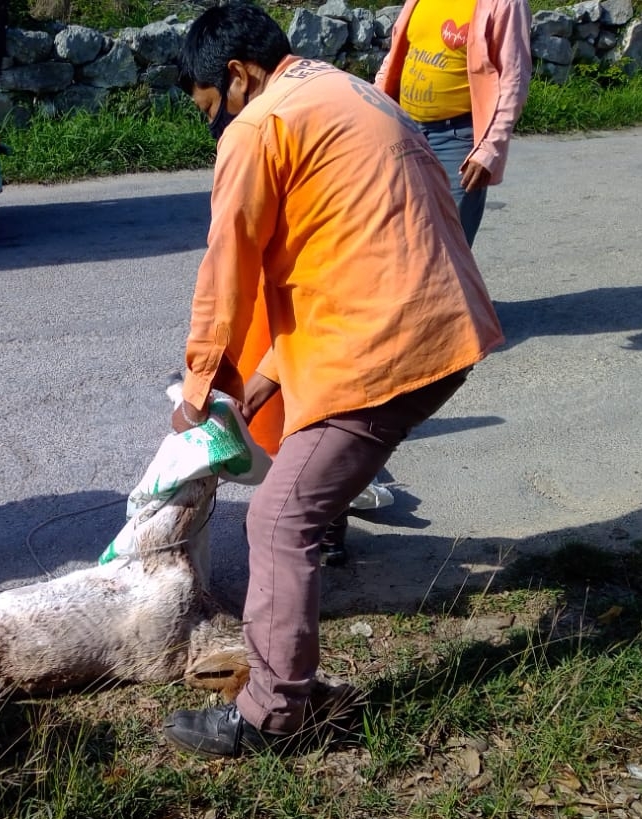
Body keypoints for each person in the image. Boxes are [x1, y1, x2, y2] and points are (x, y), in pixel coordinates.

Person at [162, 3, 504, 758]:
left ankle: (273, 715)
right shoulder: (340, 91)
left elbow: (227, 269)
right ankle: (285, 680)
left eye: (209, 110)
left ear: (236, 76)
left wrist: (200, 391)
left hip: (391, 343)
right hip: (438, 322)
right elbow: (347, 243)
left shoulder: (258, 125)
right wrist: (270, 372)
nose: (213, 127)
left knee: (281, 520)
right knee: (300, 500)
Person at [375, 0, 531, 246]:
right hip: (404, 130)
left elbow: (514, 79)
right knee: (399, 238)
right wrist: (373, 105)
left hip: (457, 139)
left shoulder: (506, 3)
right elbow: (396, 54)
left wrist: (489, 149)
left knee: (449, 246)